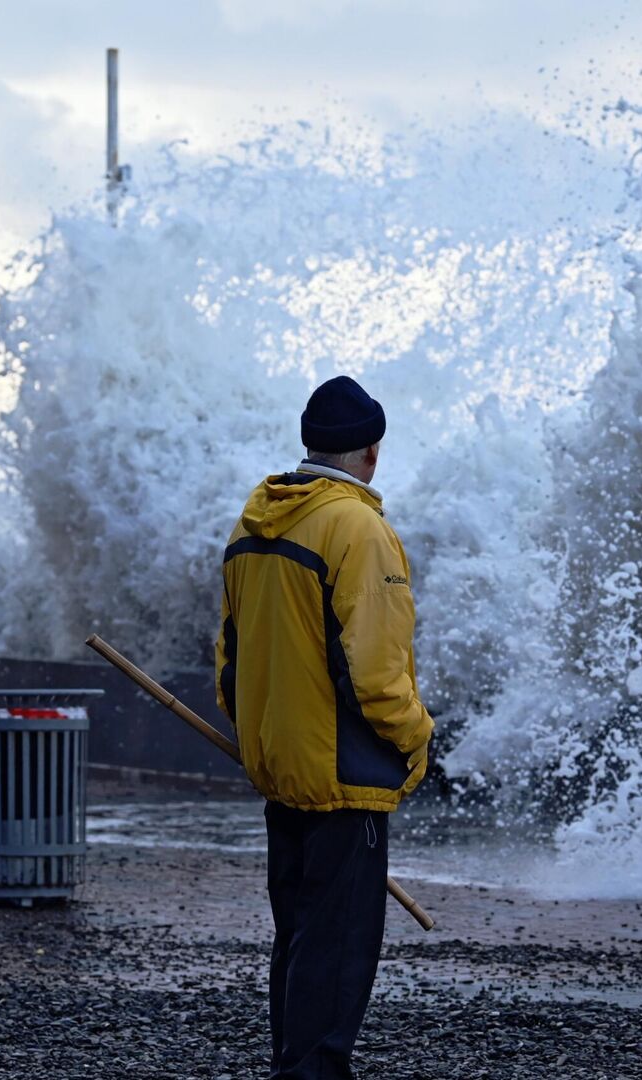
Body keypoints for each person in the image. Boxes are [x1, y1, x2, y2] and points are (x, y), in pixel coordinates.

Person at [215, 375, 433, 1080]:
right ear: (370, 451)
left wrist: (263, 736)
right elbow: (375, 672)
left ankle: (295, 1066)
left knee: (301, 937)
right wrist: (413, 740)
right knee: (336, 947)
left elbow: (231, 657)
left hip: (283, 767)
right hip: (347, 777)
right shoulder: (359, 530)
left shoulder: (253, 523)